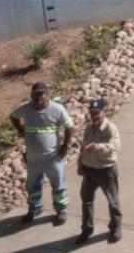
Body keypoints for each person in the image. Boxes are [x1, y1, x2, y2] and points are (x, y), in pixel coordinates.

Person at [9, 81, 72, 225]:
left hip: (53, 158)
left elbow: (70, 127)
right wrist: (19, 129)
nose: (38, 97)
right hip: (33, 159)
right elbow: (13, 116)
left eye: (41, 94)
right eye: (35, 95)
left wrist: (65, 147)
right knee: (33, 186)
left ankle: (61, 210)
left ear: (47, 94)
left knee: (58, 185)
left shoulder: (57, 109)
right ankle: (35, 209)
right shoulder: (25, 108)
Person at [76, 97, 123, 244]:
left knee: (113, 201)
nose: (94, 115)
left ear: (104, 112)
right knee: (86, 200)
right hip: (89, 171)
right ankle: (86, 229)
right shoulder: (89, 127)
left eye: (97, 113)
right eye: (92, 112)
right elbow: (83, 147)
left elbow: (115, 146)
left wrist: (99, 147)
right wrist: (80, 164)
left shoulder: (110, 128)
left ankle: (115, 228)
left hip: (106, 171)